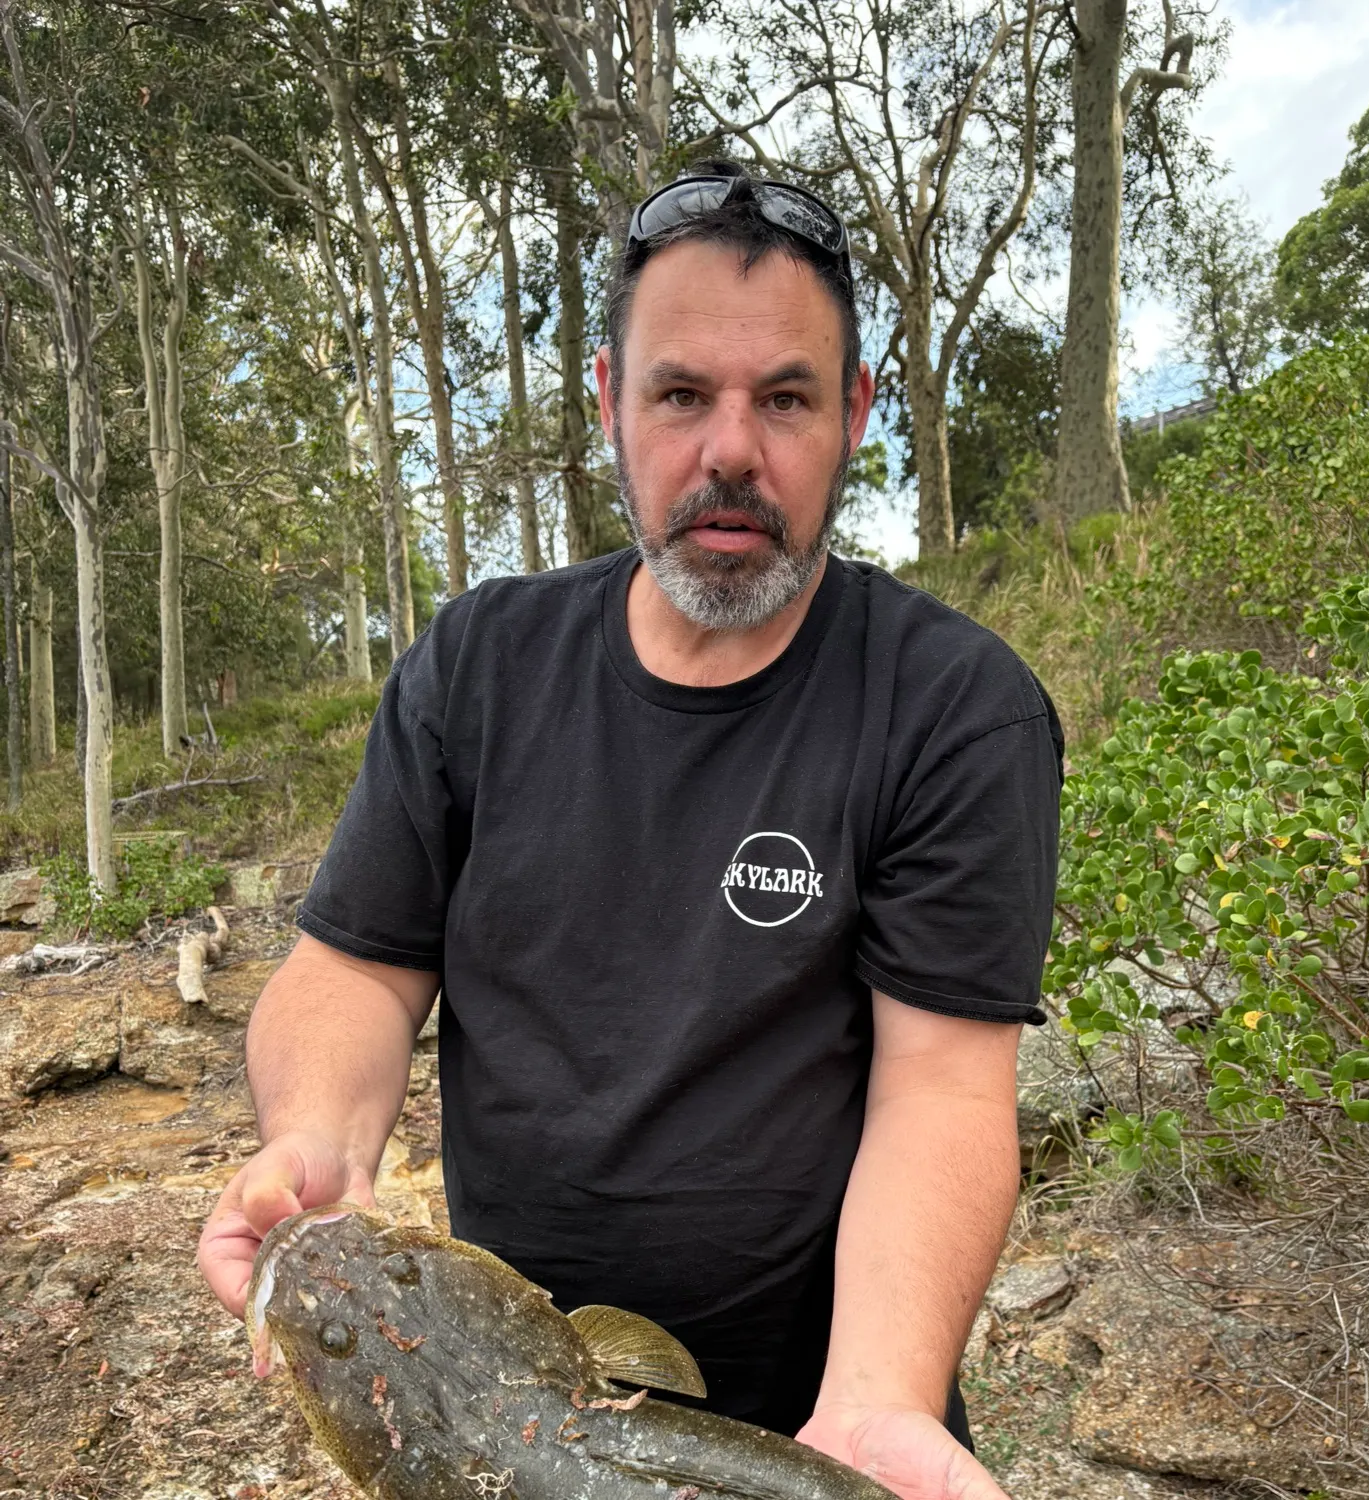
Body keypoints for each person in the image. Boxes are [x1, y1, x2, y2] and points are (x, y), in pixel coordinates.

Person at [198, 160, 1063, 1500]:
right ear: (609, 403)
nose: (730, 450)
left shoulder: (954, 707)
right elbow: (355, 967)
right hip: (489, 1408)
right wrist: (318, 1135)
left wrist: (881, 1401)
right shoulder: (480, 665)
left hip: (806, 1422)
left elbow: (941, 1088)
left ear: (855, 417)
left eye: (784, 397)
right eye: (680, 395)